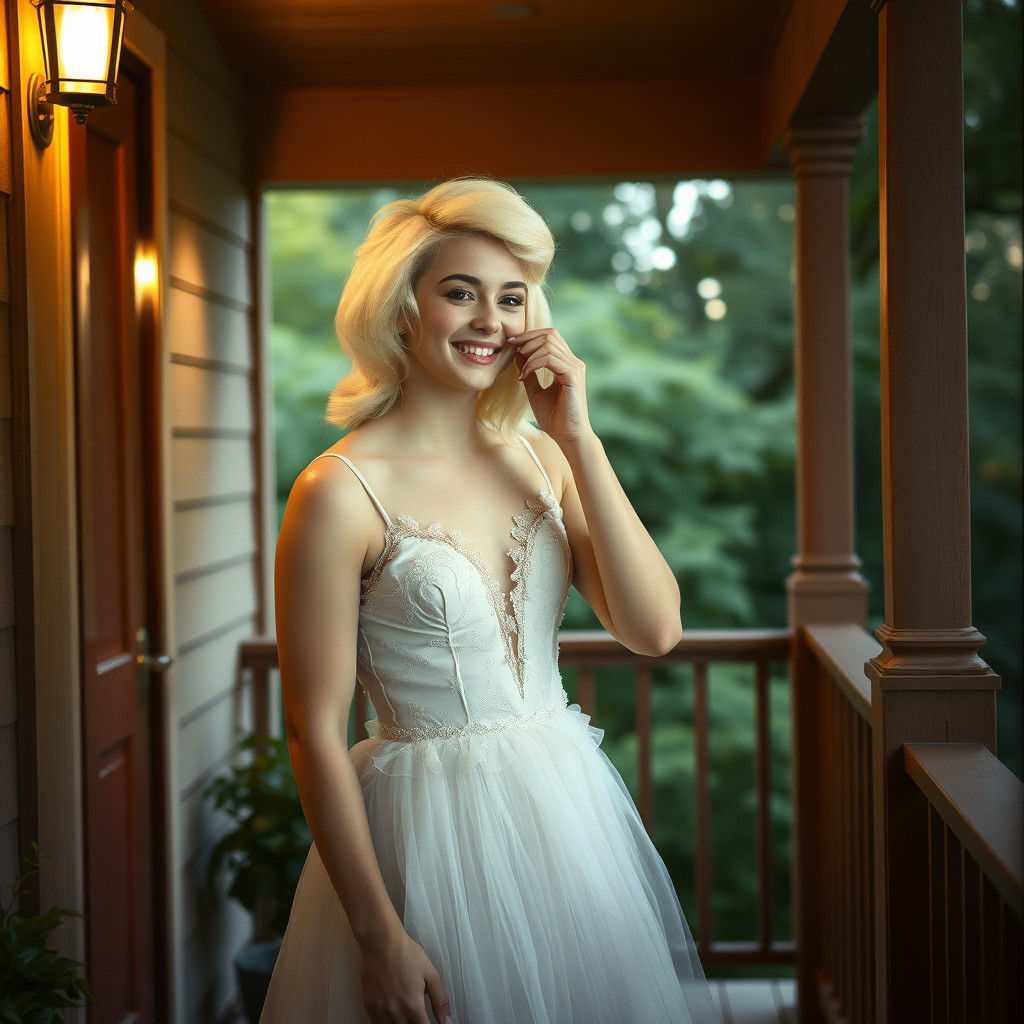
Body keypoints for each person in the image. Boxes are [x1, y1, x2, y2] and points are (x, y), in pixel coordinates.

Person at [260, 177, 717, 1023]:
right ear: (403, 307)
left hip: (565, 816)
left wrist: (580, 438)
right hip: (424, 840)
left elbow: (654, 630)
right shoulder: (338, 490)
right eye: (459, 293)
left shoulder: (542, 456)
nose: (490, 321)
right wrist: (378, 935)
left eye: (511, 299)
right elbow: (312, 732)